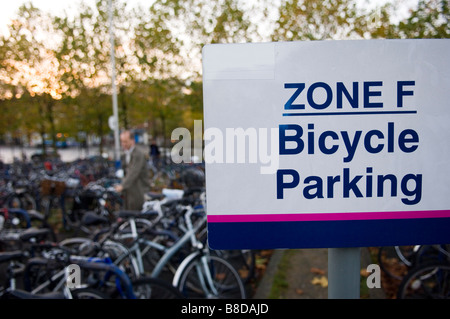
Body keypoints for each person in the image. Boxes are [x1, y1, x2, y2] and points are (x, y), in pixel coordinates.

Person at [114, 130, 150, 211]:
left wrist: (122, 186)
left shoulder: (138, 154)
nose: (123, 144)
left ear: (132, 141)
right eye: (122, 142)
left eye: (125, 142)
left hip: (138, 190)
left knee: (135, 215)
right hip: (129, 190)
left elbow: (134, 172)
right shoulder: (126, 154)